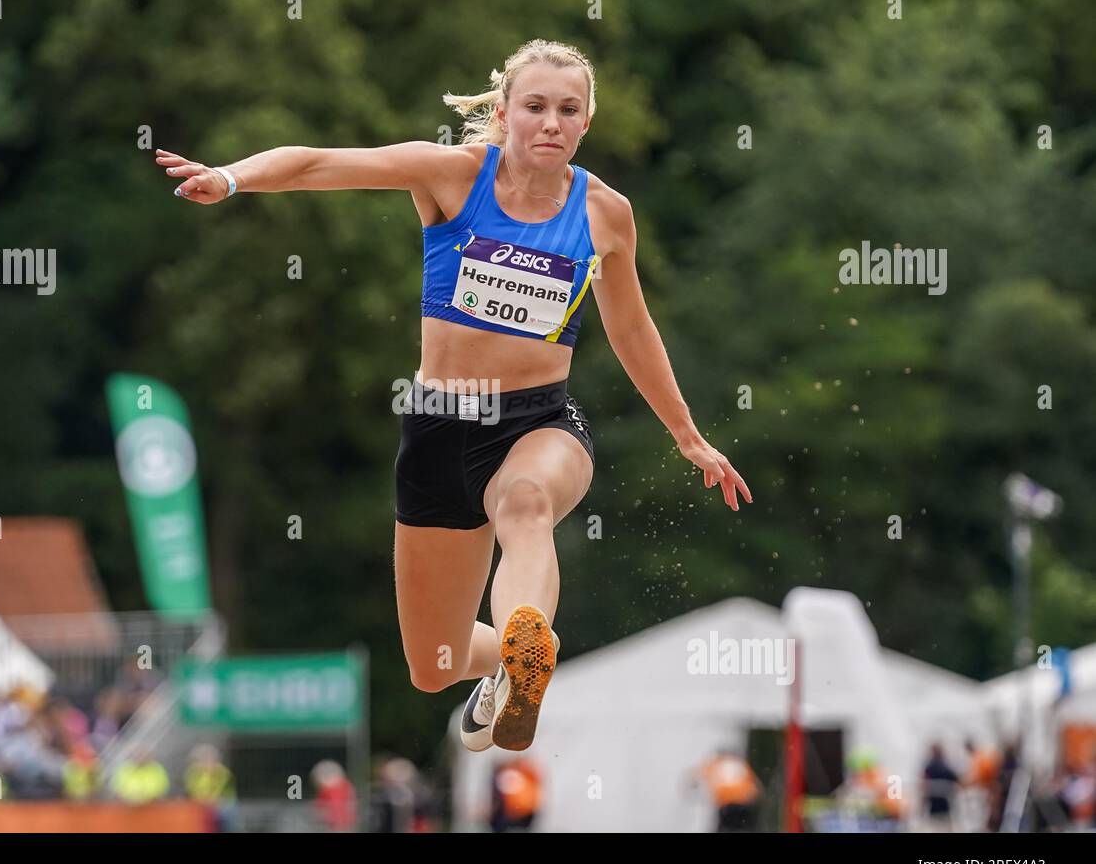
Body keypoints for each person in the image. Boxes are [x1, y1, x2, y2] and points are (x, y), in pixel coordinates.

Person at [156, 39, 751, 753]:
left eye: (569, 110)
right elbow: (321, 162)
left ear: (586, 123)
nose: (551, 123)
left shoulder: (605, 214)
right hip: (441, 424)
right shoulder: (451, 176)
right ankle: (505, 665)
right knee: (432, 664)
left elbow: (630, 326)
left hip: (541, 421)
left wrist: (687, 433)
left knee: (525, 504)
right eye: (535, 107)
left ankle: (528, 648)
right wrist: (228, 178)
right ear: (505, 112)